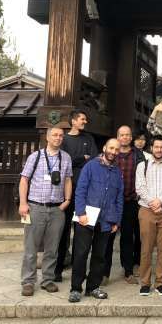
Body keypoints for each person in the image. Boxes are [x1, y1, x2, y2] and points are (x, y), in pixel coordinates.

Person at [18, 126, 73, 296]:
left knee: (52, 248)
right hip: (35, 207)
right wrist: (23, 203)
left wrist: (67, 201)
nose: (58, 138)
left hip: (57, 209)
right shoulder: (35, 157)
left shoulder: (66, 158)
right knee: (31, 248)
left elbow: (68, 180)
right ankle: (28, 281)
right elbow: (24, 180)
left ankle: (47, 279)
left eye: (61, 135)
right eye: (55, 135)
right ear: (48, 138)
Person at [68, 138, 123, 303]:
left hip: (106, 220)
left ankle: (93, 287)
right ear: (105, 147)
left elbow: (119, 198)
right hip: (86, 217)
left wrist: (117, 221)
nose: (113, 152)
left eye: (116, 149)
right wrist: (80, 212)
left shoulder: (117, 172)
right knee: (80, 254)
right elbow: (81, 189)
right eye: (111, 148)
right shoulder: (91, 166)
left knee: (100, 256)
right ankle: (76, 288)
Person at [56, 110, 99, 281]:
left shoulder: (89, 138)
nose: (85, 121)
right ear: (73, 121)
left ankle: (78, 267)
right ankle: (57, 269)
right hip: (67, 191)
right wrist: (82, 158)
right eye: (82, 119)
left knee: (82, 230)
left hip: (86, 192)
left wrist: (78, 159)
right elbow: (64, 161)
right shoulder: (64, 139)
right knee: (63, 230)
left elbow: (95, 159)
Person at [135, 134, 162, 296]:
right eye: (156, 147)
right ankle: (145, 282)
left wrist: (159, 201)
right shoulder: (142, 166)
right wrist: (153, 203)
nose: (159, 150)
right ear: (151, 148)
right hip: (146, 210)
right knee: (146, 247)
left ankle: (160, 282)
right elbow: (140, 187)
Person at [103, 125, 145, 284]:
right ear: (117, 136)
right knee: (108, 237)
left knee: (128, 237)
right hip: (111, 203)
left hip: (131, 201)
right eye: (122, 135)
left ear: (131, 137)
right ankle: (104, 272)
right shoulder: (111, 154)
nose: (125, 137)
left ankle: (128, 271)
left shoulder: (138, 155)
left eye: (128, 135)